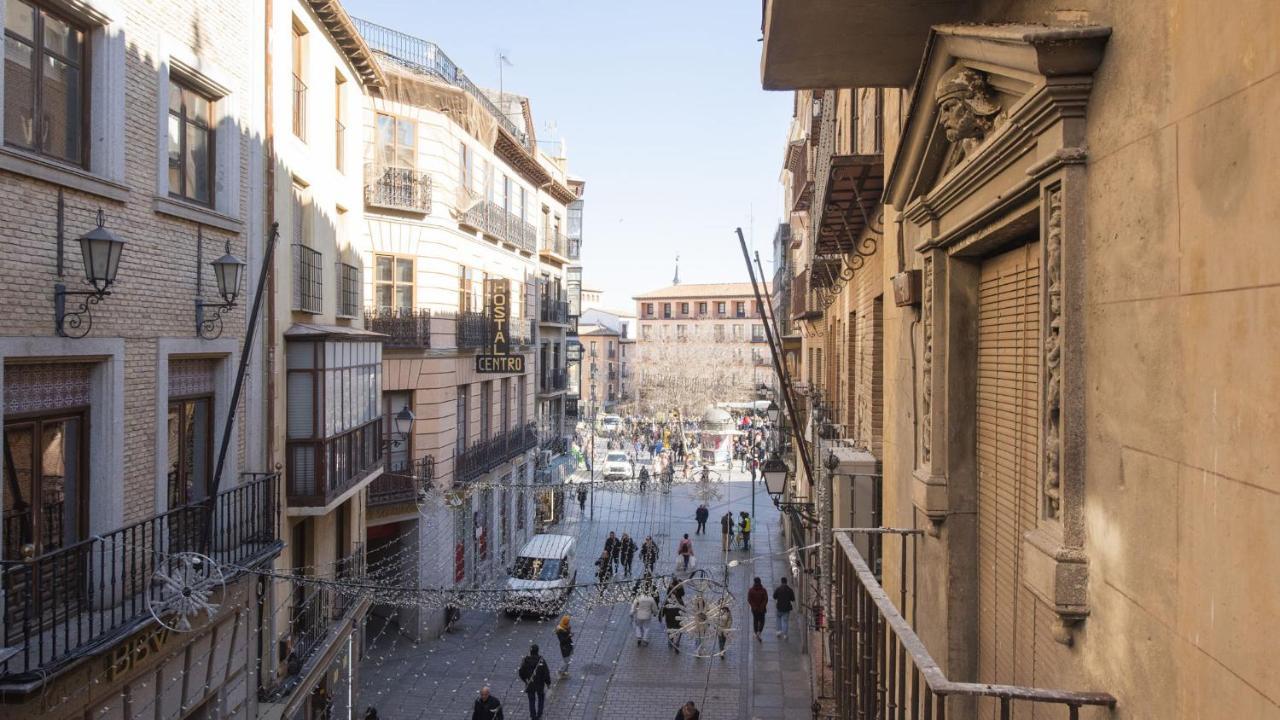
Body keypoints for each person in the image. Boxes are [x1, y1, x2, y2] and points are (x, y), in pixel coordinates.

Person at [517, 645, 551, 720]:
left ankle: (533, 716)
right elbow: (546, 673)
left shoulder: (526, 660)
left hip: (530, 683)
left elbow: (521, 672)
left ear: (531, 651)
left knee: (531, 700)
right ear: (537, 651)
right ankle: (539, 714)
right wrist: (548, 683)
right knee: (541, 698)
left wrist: (525, 680)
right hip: (540, 683)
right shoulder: (541, 660)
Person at [663, 580, 685, 653]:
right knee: (679, 631)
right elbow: (683, 594)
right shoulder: (680, 602)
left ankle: (671, 642)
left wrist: (662, 615)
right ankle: (677, 642)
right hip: (678, 618)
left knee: (670, 629)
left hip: (669, 618)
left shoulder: (667, 601)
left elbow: (664, 609)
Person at [747, 577, 768, 641]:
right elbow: (765, 599)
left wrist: (754, 606)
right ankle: (759, 631)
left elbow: (749, 600)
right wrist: (762, 606)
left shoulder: (751, 590)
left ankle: (756, 632)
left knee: (755, 620)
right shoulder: (763, 590)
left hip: (754, 609)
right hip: (762, 609)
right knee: (762, 620)